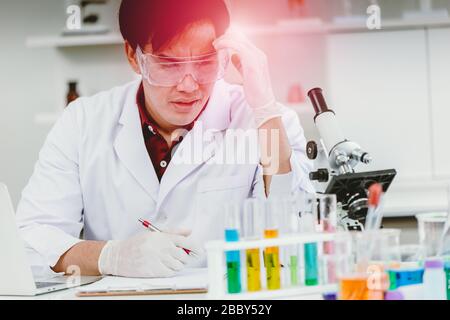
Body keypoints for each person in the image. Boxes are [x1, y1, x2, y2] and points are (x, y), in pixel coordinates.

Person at [16, 0, 313, 279]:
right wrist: (110, 256)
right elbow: (30, 244)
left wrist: (265, 109)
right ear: (134, 56)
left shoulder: (265, 122)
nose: (188, 84)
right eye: (169, 64)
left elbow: (293, 239)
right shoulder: (83, 122)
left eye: (205, 62)